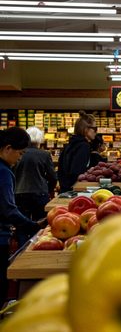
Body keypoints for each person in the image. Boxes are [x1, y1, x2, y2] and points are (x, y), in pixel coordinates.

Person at [0, 127, 44, 302]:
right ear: (8, 148)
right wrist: (34, 226)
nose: (19, 158)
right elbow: (8, 210)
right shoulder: (3, 172)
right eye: (20, 153)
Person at [14, 127, 56, 227]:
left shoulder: (17, 153)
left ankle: (23, 242)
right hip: (40, 192)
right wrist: (49, 190)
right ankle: (37, 242)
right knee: (41, 224)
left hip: (19, 192)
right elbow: (52, 177)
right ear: (40, 139)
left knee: (22, 224)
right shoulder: (44, 154)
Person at [57, 111, 96, 193]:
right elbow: (78, 171)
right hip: (75, 191)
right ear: (86, 129)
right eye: (94, 129)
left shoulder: (70, 144)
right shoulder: (83, 146)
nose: (96, 132)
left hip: (65, 189)